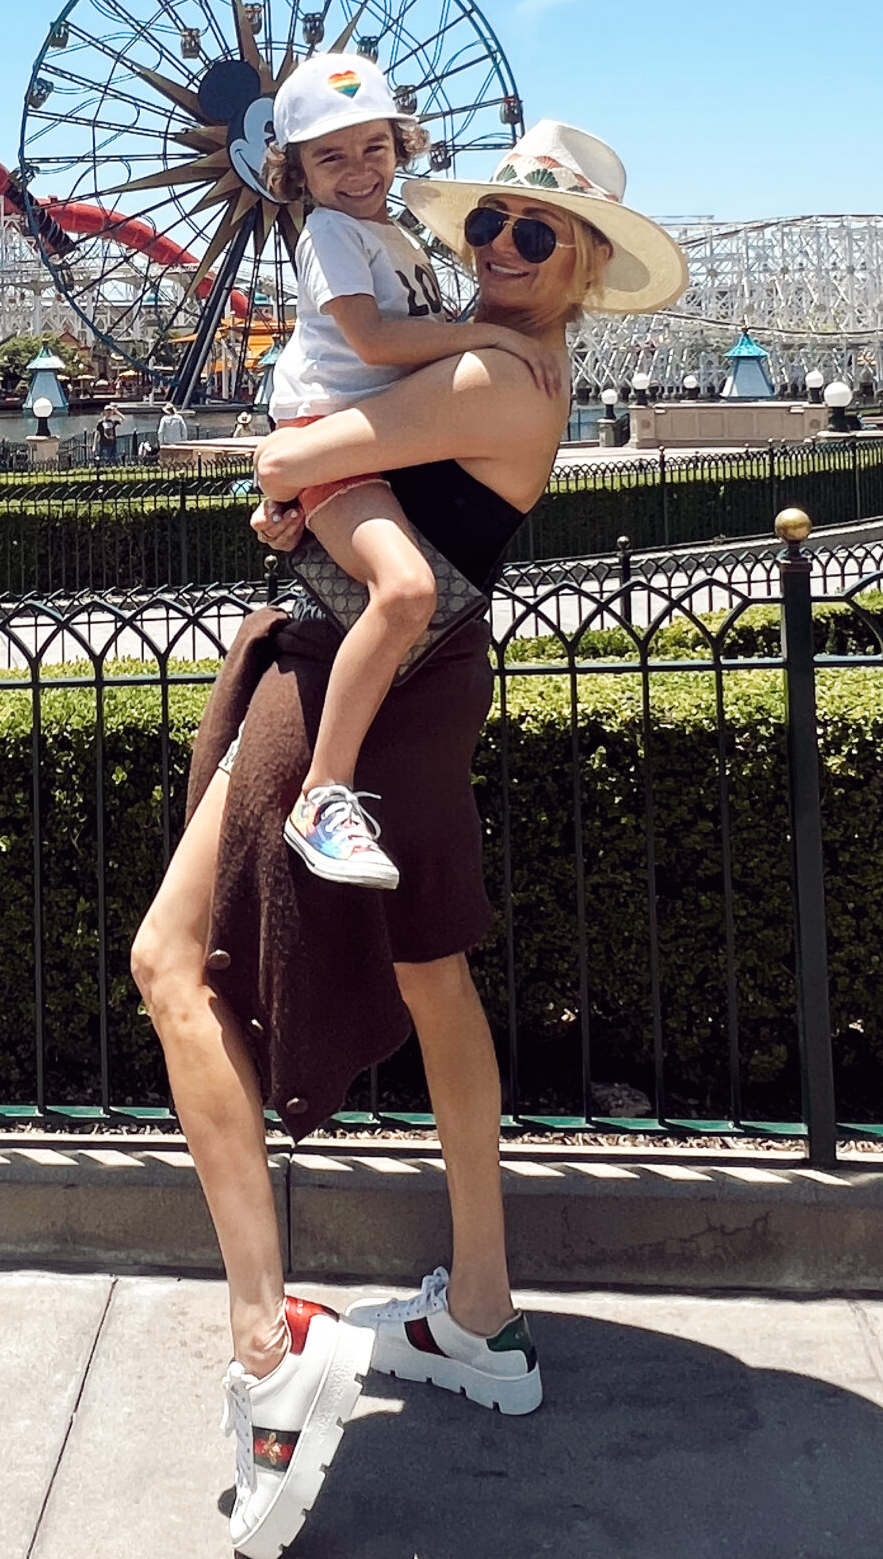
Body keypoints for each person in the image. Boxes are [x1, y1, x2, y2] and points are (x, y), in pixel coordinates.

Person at [131, 119, 687, 1559]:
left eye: (535, 233)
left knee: (171, 963)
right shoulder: (496, 362)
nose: (500, 246)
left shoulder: (497, 371)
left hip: (351, 678)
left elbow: (293, 442)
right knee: (436, 973)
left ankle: (269, 1342)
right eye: (492, 221)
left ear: (583, 269)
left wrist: (286, 479)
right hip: (430, 673)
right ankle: (481, 1315)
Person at [259, 53, 565, 892]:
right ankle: (322, 796)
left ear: (401, 145)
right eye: (330, 157)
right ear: (295, 171)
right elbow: (378, 348)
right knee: (406, 591)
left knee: (404, 589)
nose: (358, 171)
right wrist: (491, 336)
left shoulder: (390, 237)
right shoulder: (328, 234)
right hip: (325, 432)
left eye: (373, 149)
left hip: (358, 448)